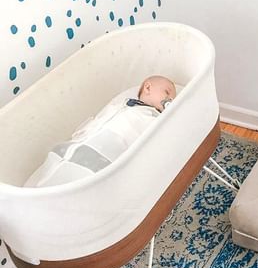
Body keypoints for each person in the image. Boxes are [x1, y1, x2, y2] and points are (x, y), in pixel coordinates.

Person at [23, 75, 177, 187]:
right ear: (148, 87)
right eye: (167, 92)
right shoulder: (123, 104)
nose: (170, 99)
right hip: (89, 140)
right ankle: (44, 185)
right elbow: (101, 119)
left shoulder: (154, 117)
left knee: (89, 173)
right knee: (61, 154)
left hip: (112, 145)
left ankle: (60, 190)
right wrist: (83, 135)